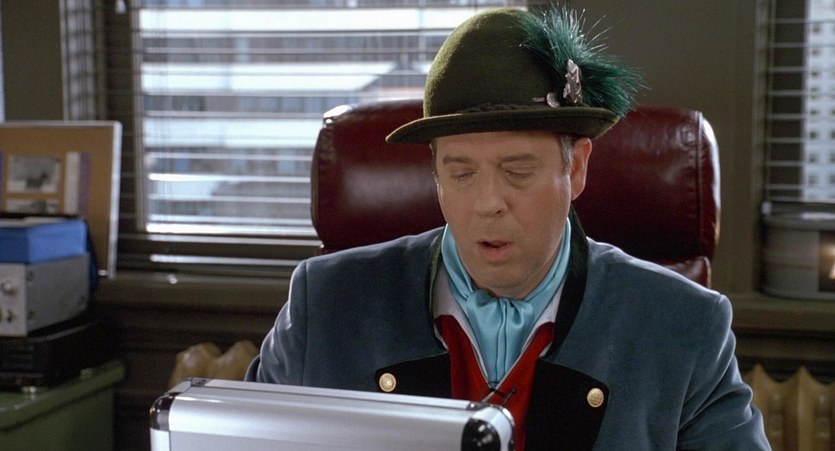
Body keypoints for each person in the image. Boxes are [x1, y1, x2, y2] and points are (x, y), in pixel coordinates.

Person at [247, 6, 770, 450]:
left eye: (518, 172)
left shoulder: (682, 327)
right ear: (435, 174)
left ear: (576, 168)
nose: (487, 204)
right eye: (460, 173)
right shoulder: (327, 306)